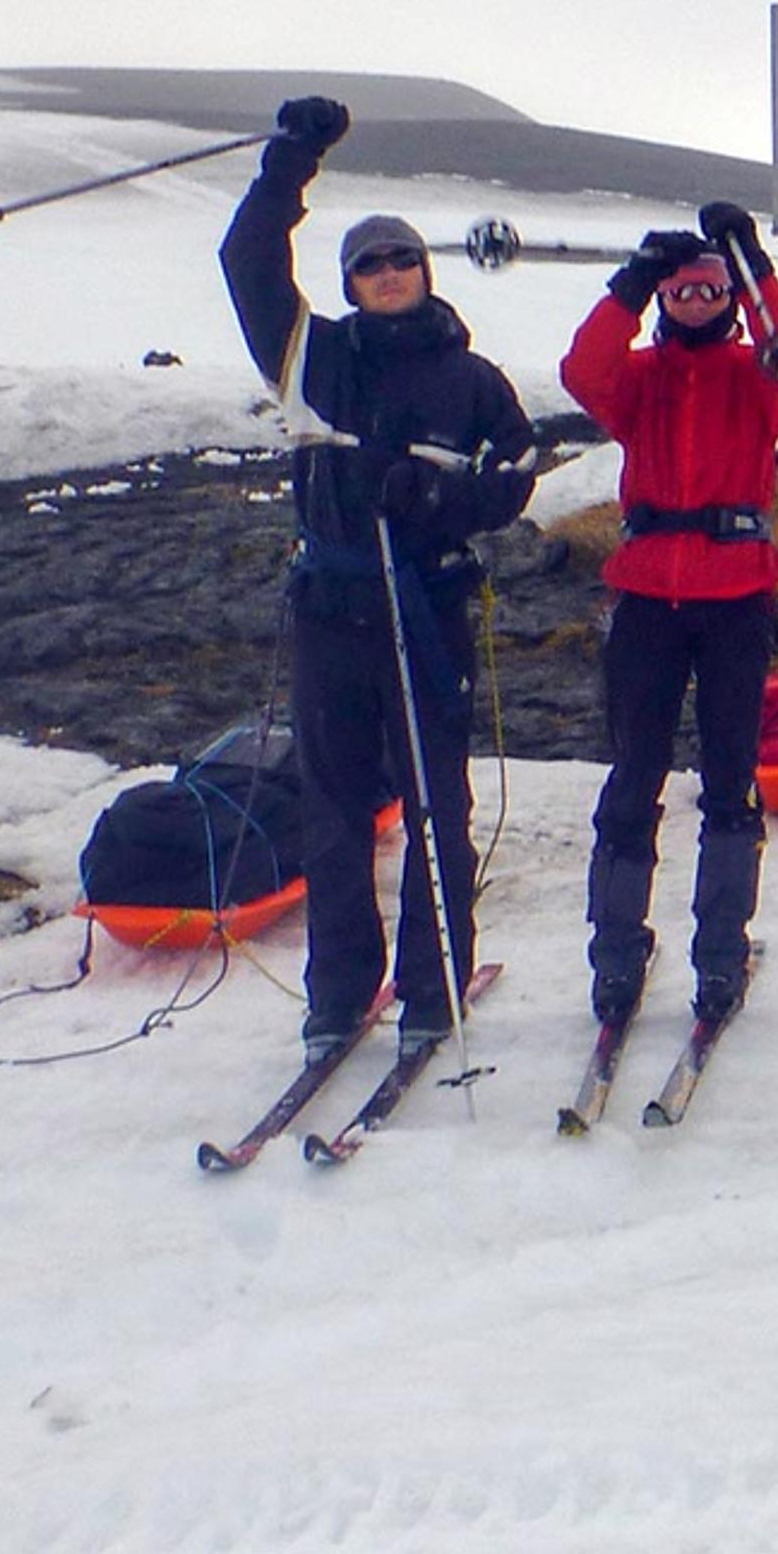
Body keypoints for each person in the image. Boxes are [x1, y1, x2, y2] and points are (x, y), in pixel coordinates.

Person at [218, 95, 539, 1053]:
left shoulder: (471, 375)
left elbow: (517, 475)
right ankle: (339, 992)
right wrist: (291, 161)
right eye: (369, 263)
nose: (388, 273)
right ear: (349, 281)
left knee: (440, 805)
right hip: (330, 607)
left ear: (424, 273)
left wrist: (443, 501)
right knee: (336, 812)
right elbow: (247, 263)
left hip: (428, 609)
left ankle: (432, 987)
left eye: (402, 259)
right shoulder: (313, 359)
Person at [560, 204, 778, 1031]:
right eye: (682, 289)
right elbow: (583, 371)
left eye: (711, 289)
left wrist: (752, 258)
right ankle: (616, 954)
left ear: (730, 297)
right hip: (646, 600)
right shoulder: (637, 380)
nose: (696, 301)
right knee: (632, 778)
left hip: (736, 598)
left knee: (731, 779)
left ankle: (720, 953)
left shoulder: (760, 371)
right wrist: (628, 283)